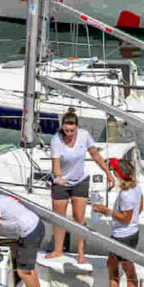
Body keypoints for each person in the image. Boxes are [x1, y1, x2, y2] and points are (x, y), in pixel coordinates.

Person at [44, 112, 115, 265]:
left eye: (72, 130)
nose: (69, 134)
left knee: (79, 218)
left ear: (77, 128)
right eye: (66, 130)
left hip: (80, 180)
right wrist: (58, 177)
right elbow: (55, 164)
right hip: (61, 181)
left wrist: (108, 172)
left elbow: (95, 155)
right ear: (62, 128)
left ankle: (81, 254)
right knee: (59, 217)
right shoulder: (56, 140)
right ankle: (58, 249)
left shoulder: (84, 135)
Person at [91, 159, 143, 287]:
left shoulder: (126, 194)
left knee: (113, 271)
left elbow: (125, 218)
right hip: (133, 234)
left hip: (121, 238)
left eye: (114, 170)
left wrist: (106, 210)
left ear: (118, 174)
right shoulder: (137, 188)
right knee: (129, 269)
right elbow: (140, 208)